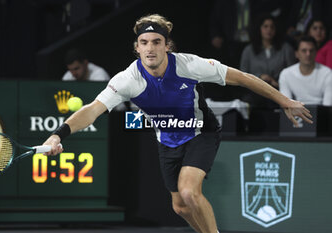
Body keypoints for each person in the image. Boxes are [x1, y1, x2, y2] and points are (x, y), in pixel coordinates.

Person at [43, 14, 312, 233]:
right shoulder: (127, 79)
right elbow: (92, 110)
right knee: (180, 207)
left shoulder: (190, 65)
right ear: (137, 47)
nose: (150, 48)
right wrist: (58, 135)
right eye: (144, 42)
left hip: (200, 132)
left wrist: (284, 101)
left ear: (167, 45)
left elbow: (242, 77)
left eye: (156, 41)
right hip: (167, 140)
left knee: (188, 191)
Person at [240, 14, 296, 107]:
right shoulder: (248, 50)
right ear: (259, 29)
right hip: (255, 92)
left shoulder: (286, 48)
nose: (269, 30)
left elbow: (293, 73)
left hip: (279, 91)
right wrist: (260, 77)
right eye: (265, 26)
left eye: (272, 27)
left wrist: (277, 83)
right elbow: (241, 75)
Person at [279, 36, 332, 106]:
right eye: (304, 51)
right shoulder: (285, 74)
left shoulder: (327, 73)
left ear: (316, 52)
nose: (308, 54)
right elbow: (286, 106)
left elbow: (328, 106)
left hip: (321, 115)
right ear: (297, 54)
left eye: (311, 50)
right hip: (295, 115)